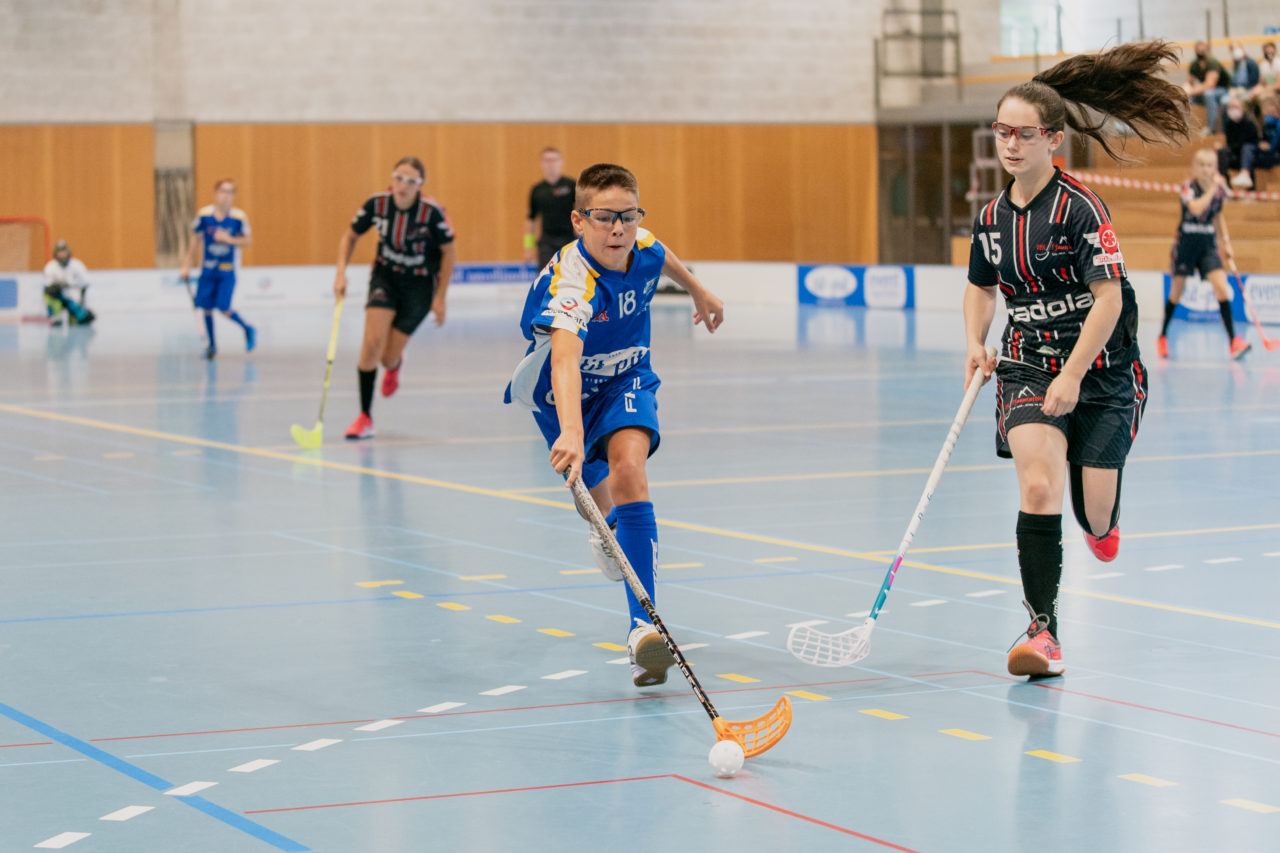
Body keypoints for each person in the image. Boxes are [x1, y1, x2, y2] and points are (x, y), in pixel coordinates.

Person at [965, 41, 1189, 679]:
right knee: (1038, 485)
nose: (1010, 144)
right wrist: (977, 341)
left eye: (1024, 133)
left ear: (1052, 140)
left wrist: (1074, 374)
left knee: (1092, 513)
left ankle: (1102, 515)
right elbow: (980, 288)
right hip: (1027, 364)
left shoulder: (1081, 209)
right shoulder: (990, 219)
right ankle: (1043, 632)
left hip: (1103, 368)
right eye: (1002, 131)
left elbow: (1110, 300)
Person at [503, 163, 724, 688]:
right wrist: (572, 432)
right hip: (562, 393)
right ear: (579, 221)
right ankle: (607, 531)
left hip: (627, 377)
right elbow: (563, 360)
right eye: (604, 218)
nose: (618, 229)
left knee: (630, 473)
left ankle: (643, 630)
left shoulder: (639, 245)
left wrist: (698, 290)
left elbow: (658, 251)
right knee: (595, 507)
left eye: (627, 216)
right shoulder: (573, 282)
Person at [334, 156, 456, 440]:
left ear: (420, 186)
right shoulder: (376, 205)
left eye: (411, 181)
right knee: (371, 344)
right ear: (392, 179)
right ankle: (365, 417)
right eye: (399, 178)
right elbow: (349, 237)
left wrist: (441, 297)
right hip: (385, 278)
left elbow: (450, 253)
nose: (403, 185)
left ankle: (395, 364)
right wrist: (340, 273)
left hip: (419, 287)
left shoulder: (431, 213)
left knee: (387, 357)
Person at [1157, 149, 1250, 360]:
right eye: (1201, 165)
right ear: (1195, 167)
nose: (1205, 169)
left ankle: (1234, 342)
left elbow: (1217, 215)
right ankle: (1162, 336)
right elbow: (1197, 208)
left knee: (1222, 289)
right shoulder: (1188, 187)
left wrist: (1225, 242)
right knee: (1176, 293)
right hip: (1186, 245)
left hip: (1208, 245)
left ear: (1215, 167)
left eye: (1210, 165)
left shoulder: (1218, 192)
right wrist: (1214, 189)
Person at [180, 179, 255, 359]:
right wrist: (186, 265)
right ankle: (212, 346)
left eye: (230, 192)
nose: (226, 195)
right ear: (215, 193)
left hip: (227, 270)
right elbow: (195, 240)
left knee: (223, 306)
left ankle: (248, 328)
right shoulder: (204, 215)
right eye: (222, 191)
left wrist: (229, 240)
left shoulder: (238, 217)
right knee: (205, 308)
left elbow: (247, 240)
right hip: (208, 269)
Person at [523, 147, 577, 272]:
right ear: (542, 164)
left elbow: (582, 210)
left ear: (561, 162)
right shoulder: (537, 190)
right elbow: (530, 220)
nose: (551, 164)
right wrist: (528, 247)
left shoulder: (571, 185)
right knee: (546, 277)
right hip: (547, 242)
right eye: (547, 160)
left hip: (569, 240)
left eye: (554, 160)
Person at [41, 239, 94, 326]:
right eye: (59, 252)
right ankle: (55, 317)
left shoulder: (77, 265)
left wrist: (82, 303)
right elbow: (47, 287)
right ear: (55, 254)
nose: (62, 254)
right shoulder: (50, 267)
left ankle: (78, 313)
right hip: (58, 297)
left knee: (81, 320)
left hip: (73, 297)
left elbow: (85, 284)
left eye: (63, 251)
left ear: (68, 252)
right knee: (50, 292)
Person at [1217, 94, 1261, 188]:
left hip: (1251, 155)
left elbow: (1251, 142)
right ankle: (1225, 186)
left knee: (1247, 148)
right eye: (1231, 107)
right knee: (1222, 152)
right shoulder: (1229, 124)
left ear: (1243, 108)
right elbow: (1230, 143)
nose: (1233, 109)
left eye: (1236, 107)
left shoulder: (1249, 123)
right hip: (1235, 154)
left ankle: (1246, 177)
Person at [1185, 41, 1228, 134]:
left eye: (1202, 50)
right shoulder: (1194, 65)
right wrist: (1185, 91)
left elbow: (1210, 84)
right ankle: (1187, 128)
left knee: (1208, 94)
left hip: (1222, 90)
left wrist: (1192, 91)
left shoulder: (1212, 62)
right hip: (1205, 91)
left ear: (1207, 51)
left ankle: (1210, 128)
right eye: (1198, 50)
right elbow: (1189, 82)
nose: (1200, 52)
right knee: (1187, 98)